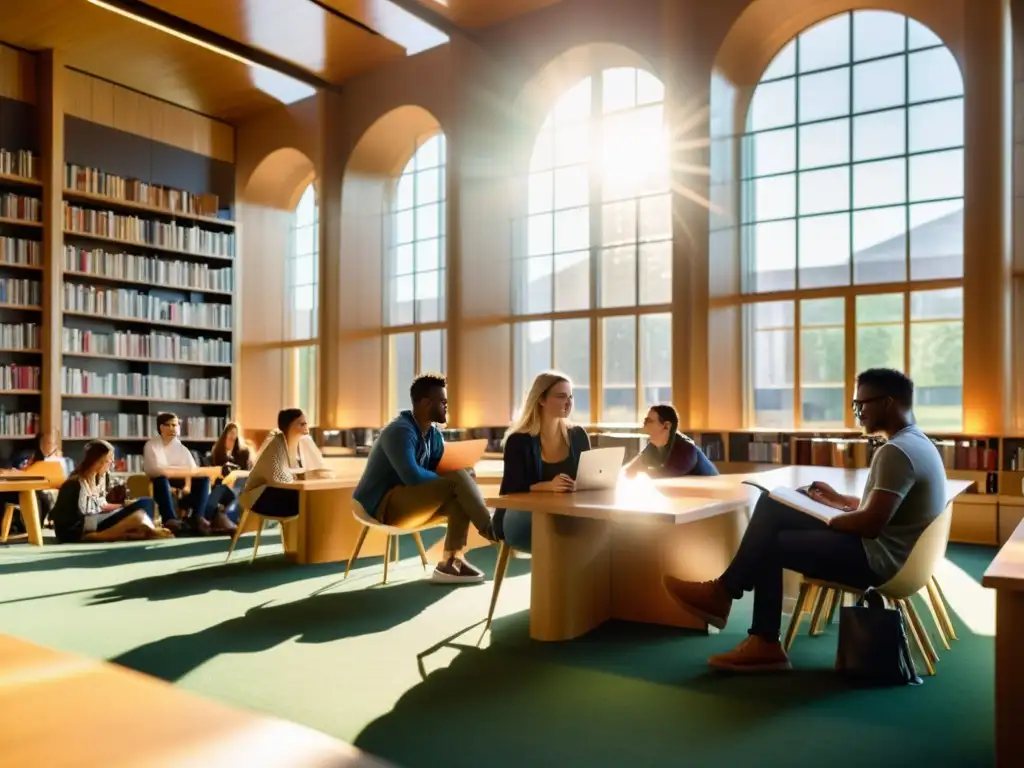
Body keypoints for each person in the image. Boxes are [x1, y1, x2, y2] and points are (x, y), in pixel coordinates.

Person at [662, 368, 947, 672]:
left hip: (877, 560)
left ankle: (748, 623)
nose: (858, 413)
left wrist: (829, 517)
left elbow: (870, 524)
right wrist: (838, 501)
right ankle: (732, 605)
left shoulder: (896, 452)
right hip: (892, 554)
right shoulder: (918, 443)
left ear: (888, 403)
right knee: (773, 504)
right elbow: (884, 510)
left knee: (770, 538)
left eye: (862, 404)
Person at [352, 373, 496, 584]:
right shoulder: (399, 431)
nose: (447, 406)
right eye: (443, 402)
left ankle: (451, 560)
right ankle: (492, 531)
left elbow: (437, 470)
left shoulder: (434, 435)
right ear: (427, 403)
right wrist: (457, 479)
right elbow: (412, 476)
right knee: (457, 479)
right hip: (381, 505)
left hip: (410, 500)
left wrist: (464, 477)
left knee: (460, 494)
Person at [495, 371, 591, 553]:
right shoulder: (518, 440)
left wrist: (578, 485)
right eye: (561, 396)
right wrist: (549, 486)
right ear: (541, 400)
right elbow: (513, 487)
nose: (569, 402)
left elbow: (589, 476)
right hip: (524, 515)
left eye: (571, 397)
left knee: (601, 528)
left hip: (568, 512)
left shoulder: (578, 435)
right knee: (561, 529)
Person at [51, 439, 166, 543]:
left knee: (145, 502)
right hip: (77, 530)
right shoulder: (75, 483)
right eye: (108, 461)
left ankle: (140, 530)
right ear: (97, 461)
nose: (111, 464)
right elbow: (79, 517)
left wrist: (122, 506)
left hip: (93, 520)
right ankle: (140, 531)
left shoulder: (99, 478)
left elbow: (100, 506)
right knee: (139, 514)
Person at [238, 409, 326, 521]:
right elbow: (279, 479)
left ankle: (310, 536)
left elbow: (320, 468)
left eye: (306, 423)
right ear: (289, 425)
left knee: (320, 497)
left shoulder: (304, 442)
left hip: (284, 493)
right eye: (302, 423)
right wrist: (305, 475)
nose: (306, 427)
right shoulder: (276, 443)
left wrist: (307, 475)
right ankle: (303, 537)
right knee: (306, 500)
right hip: (261, 497)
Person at [143, 412, 210, 535]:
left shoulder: (181, 448)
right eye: (169, 425)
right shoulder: (151, 445)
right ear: (161, 428)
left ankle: (197, 517)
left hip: (180, 483)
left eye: (175, 425)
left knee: (203, 479)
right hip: (160, 483)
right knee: (161, 479)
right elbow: (155, 469)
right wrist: (178, 470)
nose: (173, 428)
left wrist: (184, 480)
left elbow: (193, 470)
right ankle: (170, 519)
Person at [624, 404, 718, 478]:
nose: (644, 426)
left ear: (666, 426)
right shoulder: (653, 447)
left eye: (649, 421)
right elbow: (631, 469)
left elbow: (667, 474)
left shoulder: (686, 449)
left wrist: (639, 472)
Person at [204, 422, 254, 530]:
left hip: (238, 489)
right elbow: (211, 475)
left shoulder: (244, 453)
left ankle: (225, 518)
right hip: (222, 487)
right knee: (219, 489)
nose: (232, 437)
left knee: (241, 483)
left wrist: (235, 473)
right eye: (230, 434)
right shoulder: (216, 452)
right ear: (224, 436)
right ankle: (206, 519)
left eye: (235, 435)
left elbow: (249, 473)